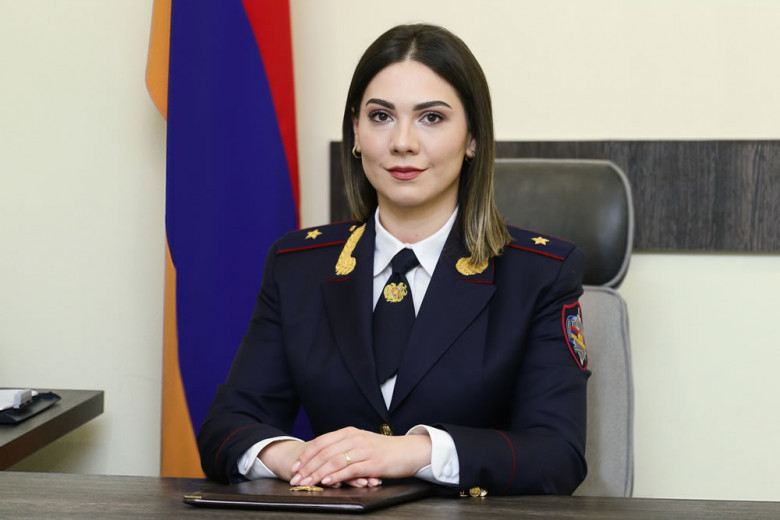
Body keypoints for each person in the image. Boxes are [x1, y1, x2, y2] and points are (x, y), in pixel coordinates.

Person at [197, 23, 589, 496]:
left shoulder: (539, 275)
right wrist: (301, 459)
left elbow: (557, 454)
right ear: (356, 132)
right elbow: (225, 427)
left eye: (432, 118)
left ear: (473, 138)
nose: (403, 142)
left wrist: (412, 452)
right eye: (381, 116)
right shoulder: (298, 266)